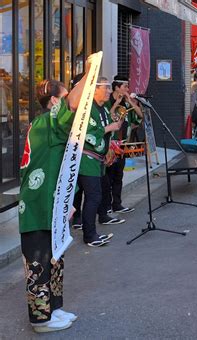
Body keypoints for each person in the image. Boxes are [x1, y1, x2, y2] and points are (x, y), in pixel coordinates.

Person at [18, 73, 91, 332]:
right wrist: (90, 72)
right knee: (38, 261)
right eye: (62, 97)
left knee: (54, 259)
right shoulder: (46, 123)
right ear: (52, 102)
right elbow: (73, 102)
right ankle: (40, 319)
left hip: (51, 202)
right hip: (37, 205)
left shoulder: (50, 125)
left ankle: (54, 308)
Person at [73, 76, 123, 245]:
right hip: (87, 159)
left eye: (109, 87)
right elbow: (88, 134)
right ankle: (90, 235)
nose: (109, 90)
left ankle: (95, 226)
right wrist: (110, 127)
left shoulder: (102, 108)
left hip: (98, 159)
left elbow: (105, 131)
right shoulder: (87, 109)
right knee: (93, 197)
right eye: (106, 87)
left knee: (98, 194)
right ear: (94, 90)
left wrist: (109, 148)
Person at [103, 75, 143, 214]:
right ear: (117, 87)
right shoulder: (106, 101)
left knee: (119, 175)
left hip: (123, 143)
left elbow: (140, 115)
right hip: (109, 144)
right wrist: (116, 103)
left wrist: (130, 102)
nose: (127, 89)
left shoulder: (126, 102)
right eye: (125, 86)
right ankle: (106, 205)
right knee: (107, 177)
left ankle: (117, 204)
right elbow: (108, 116)